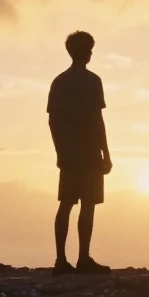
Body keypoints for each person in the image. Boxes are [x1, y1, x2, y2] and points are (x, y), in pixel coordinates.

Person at [47, 31, 112, 275]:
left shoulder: (59, 82)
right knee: (87, 205)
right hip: (89, 151)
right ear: (87, 52)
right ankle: (82, 258)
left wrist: (60, 150)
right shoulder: (93, 81)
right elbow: (98, 120)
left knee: (66, 204)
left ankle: (61, 260)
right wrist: (106, 153)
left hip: (70, 152)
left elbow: (53, 121)